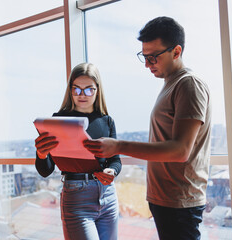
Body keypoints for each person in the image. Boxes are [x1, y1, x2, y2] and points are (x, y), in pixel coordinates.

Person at [83, 16, 212, 240]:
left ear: (176, 51)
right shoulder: (171, 84)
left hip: (180, 201)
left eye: (153, 57)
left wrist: (119, 146)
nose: (147, 64)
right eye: (144, 56)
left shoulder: (188, 84)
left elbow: (181, 151)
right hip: (167, 199)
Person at [34, 62, 121, 240]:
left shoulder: (107, 120)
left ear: (97, 90)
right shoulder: (58, 121)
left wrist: (112, 171)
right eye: (77, 89)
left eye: (89, 89)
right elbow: (45, 170)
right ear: (70, 90)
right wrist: (41, 154)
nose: (82, 95)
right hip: (76, 197)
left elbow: (115, 160)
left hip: (108, 195)